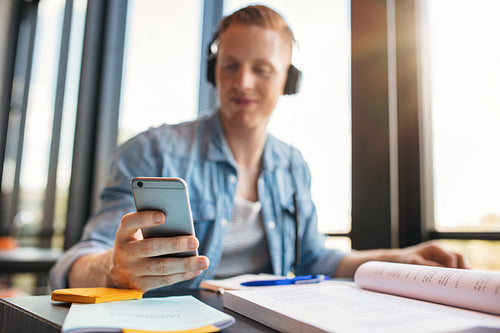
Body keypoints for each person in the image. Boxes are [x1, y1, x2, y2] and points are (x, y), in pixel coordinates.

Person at [49, 5, 467, 292]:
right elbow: (75, 263)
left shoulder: (293, 165)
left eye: (262, 70)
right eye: (230, 65)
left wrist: (400, 258)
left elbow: (314, 259)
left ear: (288, 80)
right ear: (214, 71)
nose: (243, 82)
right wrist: (112, 268)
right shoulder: (152, 151)